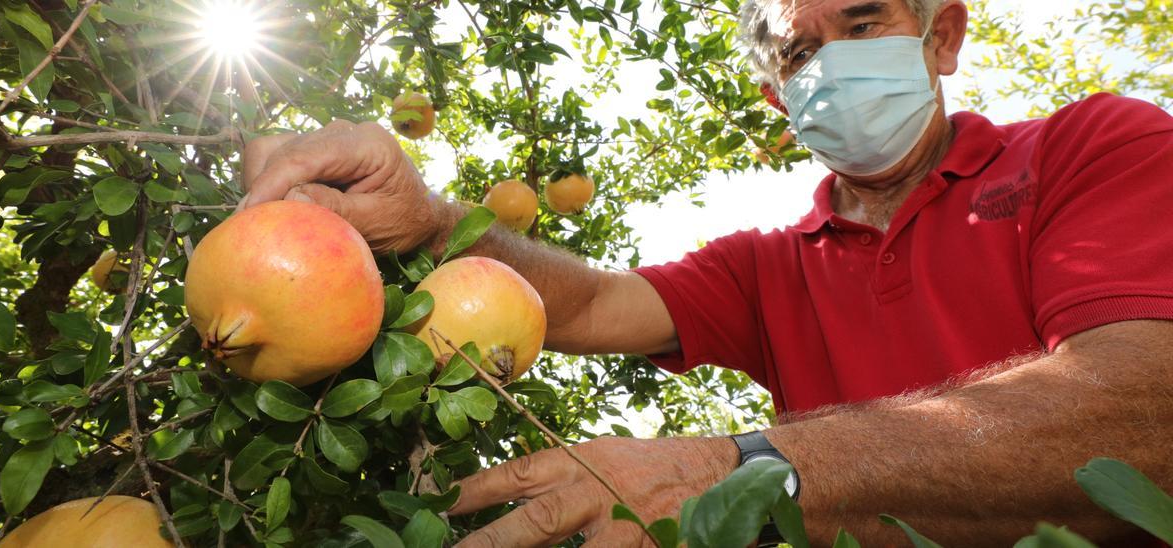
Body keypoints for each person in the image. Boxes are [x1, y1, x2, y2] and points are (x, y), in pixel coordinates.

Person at [239, 0, 1173, 544]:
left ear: (941, 37)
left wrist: (754, 471)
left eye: (864, 21)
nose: (835, 63)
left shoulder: (1094, 147)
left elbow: (1149, 407)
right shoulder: (769, 271)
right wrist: (428, 221)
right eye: (803, 50)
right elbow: (594, 301)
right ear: (778, 95)